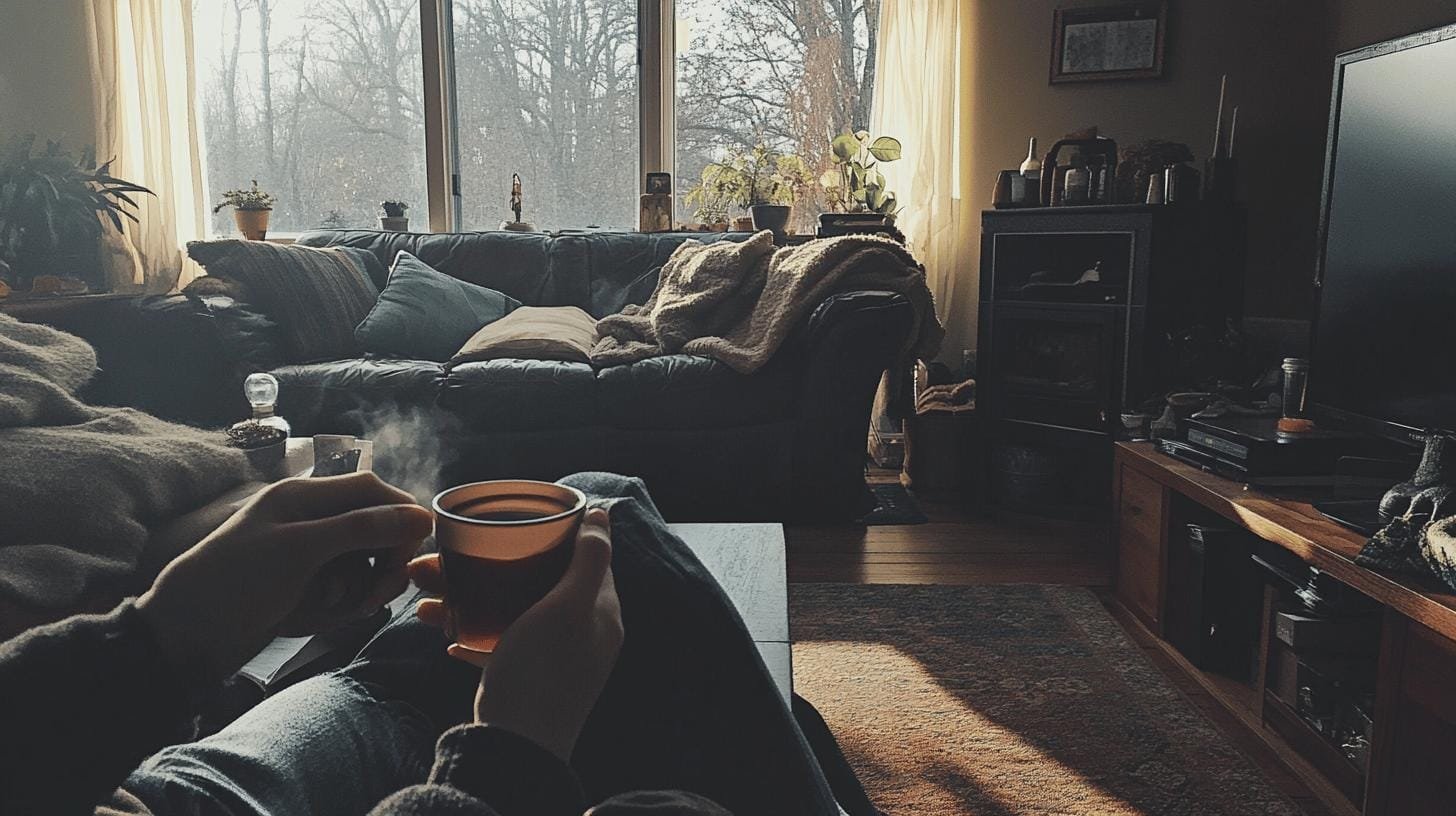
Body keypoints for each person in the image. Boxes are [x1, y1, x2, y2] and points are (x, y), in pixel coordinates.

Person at [0, 471, 852, 815]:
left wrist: (159, 632)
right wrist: (511, 753)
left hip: (169, 792)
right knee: (608, 517)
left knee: (593, 521)